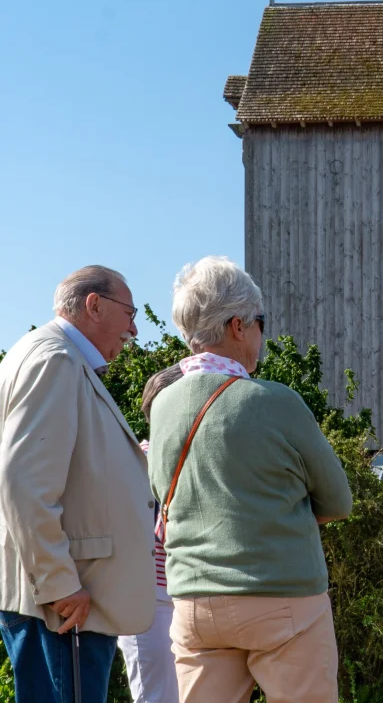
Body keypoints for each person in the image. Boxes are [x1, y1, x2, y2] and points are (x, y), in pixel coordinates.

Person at [148, 256, 353, 703]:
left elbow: (163, 493)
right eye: (261, 322)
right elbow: (338, 500)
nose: (263, 334)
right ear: (238, 326)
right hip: (282, 596)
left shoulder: (162, 406)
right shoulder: (277, 402)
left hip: (194, 602)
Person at [0, 265, 157, 703]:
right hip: (63, 608)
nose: (134, 328)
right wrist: (59, 584)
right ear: (93, 305)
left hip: (60, 603)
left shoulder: (44, 355)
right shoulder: (56, 360)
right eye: (129, 312)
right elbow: (23, 480)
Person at [118, 364, 184, 703]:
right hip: (150, 601)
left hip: (185, 596)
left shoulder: (187, 457)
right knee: (157, 697)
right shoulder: (138, 459)